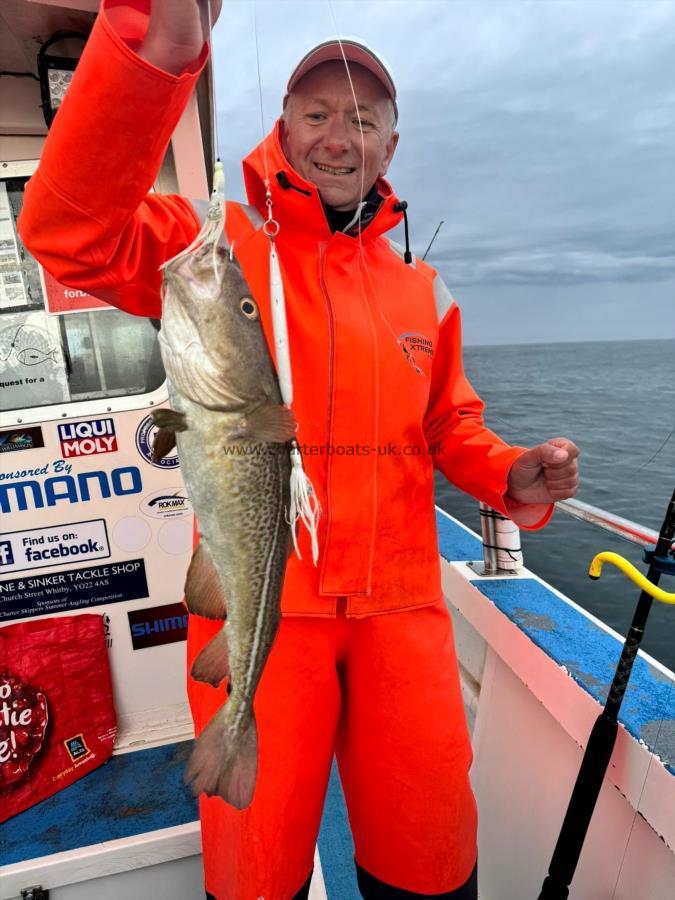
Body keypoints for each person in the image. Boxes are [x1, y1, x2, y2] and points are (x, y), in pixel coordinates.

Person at [18, 1, 580, 898]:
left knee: (432, 852)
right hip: (268, 600)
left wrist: (510, 472)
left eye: (361, 119)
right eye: (315, 115)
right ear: (281, 126)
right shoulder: (216, 247)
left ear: (390, 146)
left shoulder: (423, 294)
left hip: (402, 609)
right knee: (256, 860)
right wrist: (158, 58)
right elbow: (66, 231)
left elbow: (448, 429)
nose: (336, 136)